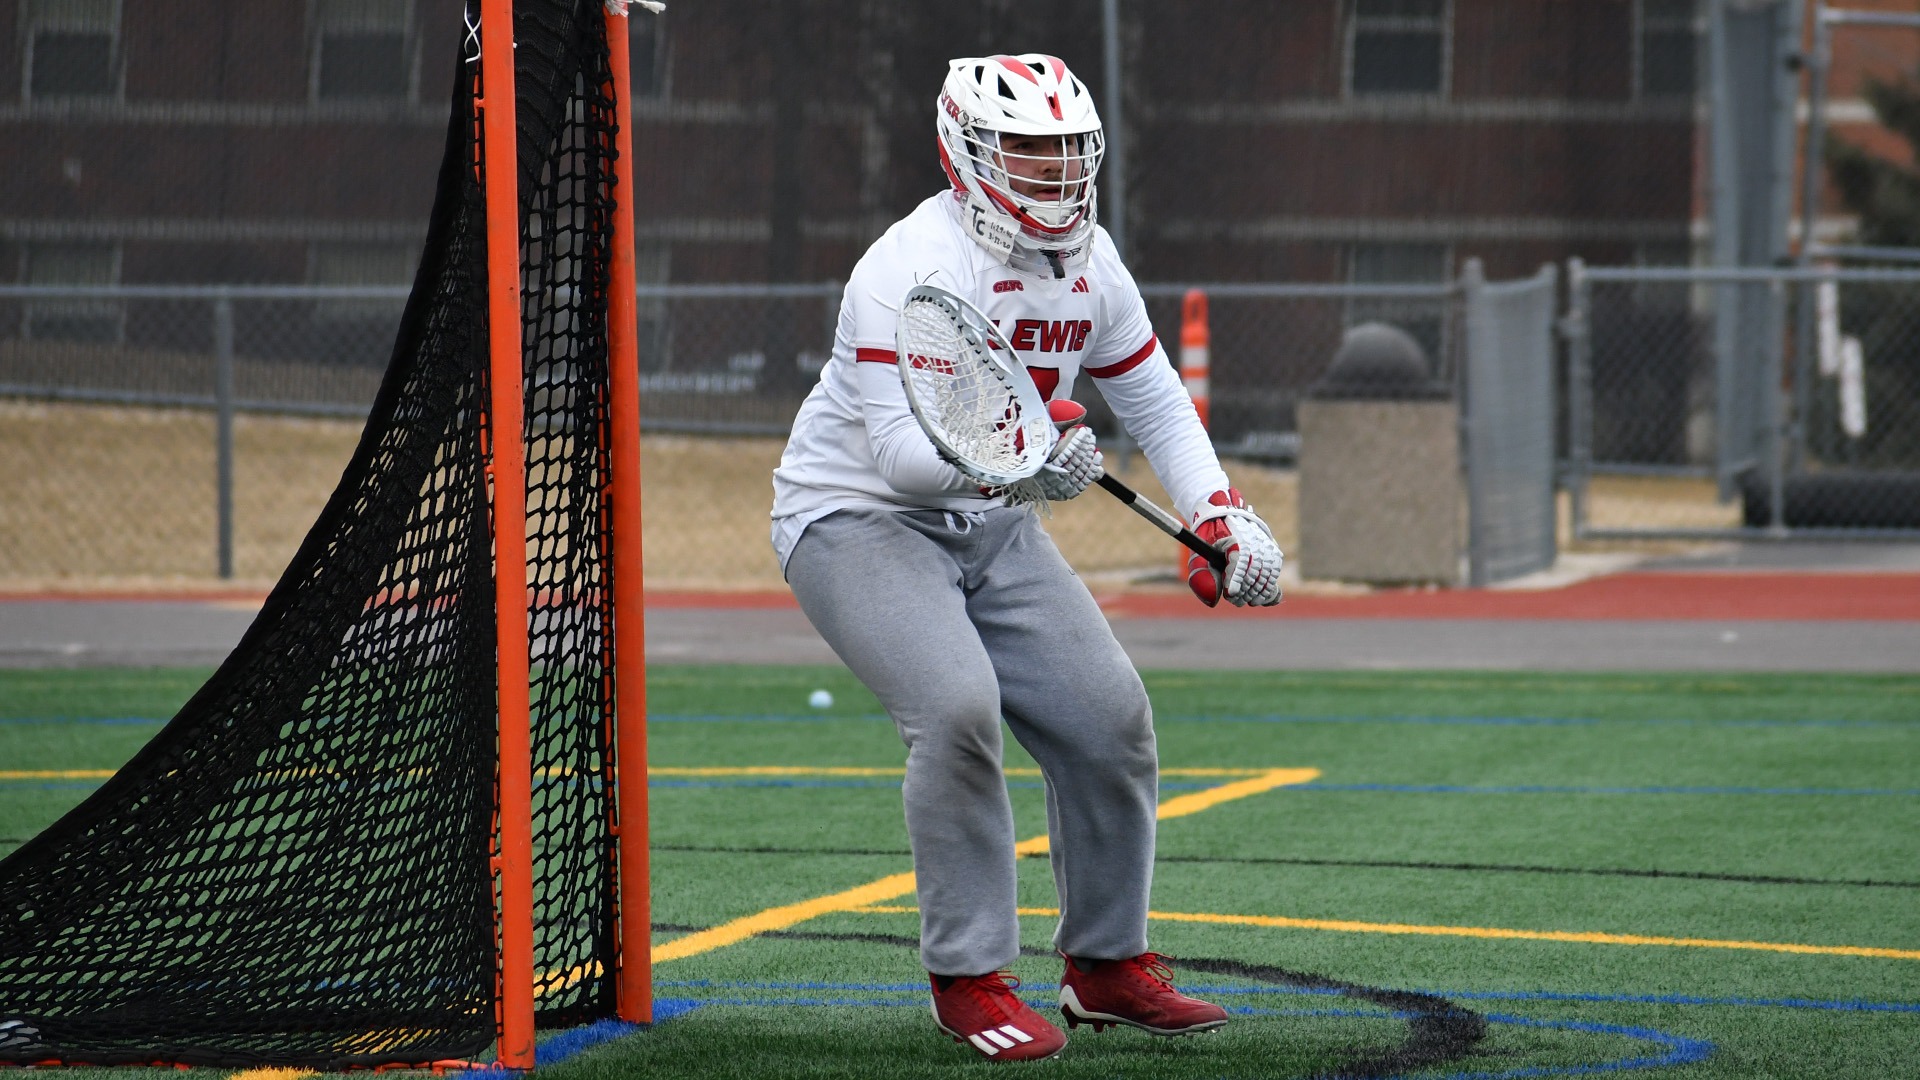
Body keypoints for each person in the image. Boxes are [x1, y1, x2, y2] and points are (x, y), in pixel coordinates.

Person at [770, 53, 1285, 1062]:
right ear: (965, 154)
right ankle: (967, 978)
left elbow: (1153, 398)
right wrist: (1027, 464)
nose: (1054, 172)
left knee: (1109, 716)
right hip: (858, 517)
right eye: (1027, 151)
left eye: (1066, 151)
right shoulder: (906, 266)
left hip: (995, 519)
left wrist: (1221, 515)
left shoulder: (1094, 261)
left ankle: (1106, 965)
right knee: (957, 708)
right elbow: (903, 459)